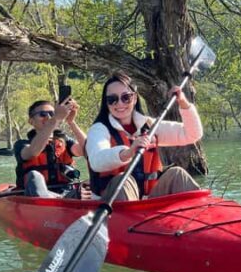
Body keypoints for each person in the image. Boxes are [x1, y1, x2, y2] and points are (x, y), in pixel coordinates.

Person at [86, 72, 202, 201]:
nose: (119, 104)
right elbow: (97, 161)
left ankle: (201, 210)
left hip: (146, 201)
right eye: (112, 99)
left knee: (177, 174)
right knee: (123, 181)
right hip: (110, 202)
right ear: (106, 103)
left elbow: (192, 134)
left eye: (126, 97)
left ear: (135, 98)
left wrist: (183, 102)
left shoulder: (149, 125)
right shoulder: (98, 129)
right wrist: (129, 152)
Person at [14, 97, 92, 199]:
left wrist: (71, 122)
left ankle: (67, 198)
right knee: (33, 175)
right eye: (42, 114)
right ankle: (62, 199)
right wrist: (55, 119)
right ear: (31, 121)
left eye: (52, 113)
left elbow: (88, 149)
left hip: (67, 191)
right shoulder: (21, 145)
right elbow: (33, 152)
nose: (48, 117)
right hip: (36, 195)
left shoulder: (64, 142)